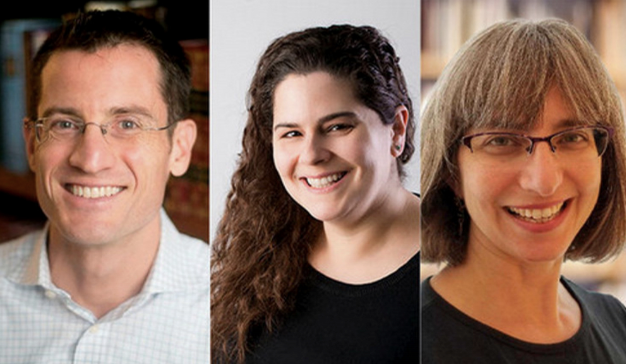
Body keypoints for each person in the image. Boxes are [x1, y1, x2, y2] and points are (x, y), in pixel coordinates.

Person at [0, 10, 209, 363]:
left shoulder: (243, 316)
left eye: (127, 123)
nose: (91, 159)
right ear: (32, 145)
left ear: (180, 148)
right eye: (64, 124)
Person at [211, 24, 419, 364]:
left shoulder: (451, 267)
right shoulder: (265, 250)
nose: (311, 155)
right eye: (291, 133)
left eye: (337, 127)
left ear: (396, 130)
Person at [421, 18, 626, 363]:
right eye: (502, 140)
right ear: (451, 171)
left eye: (572, 136)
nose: (544, 180)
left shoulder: (617, 323)